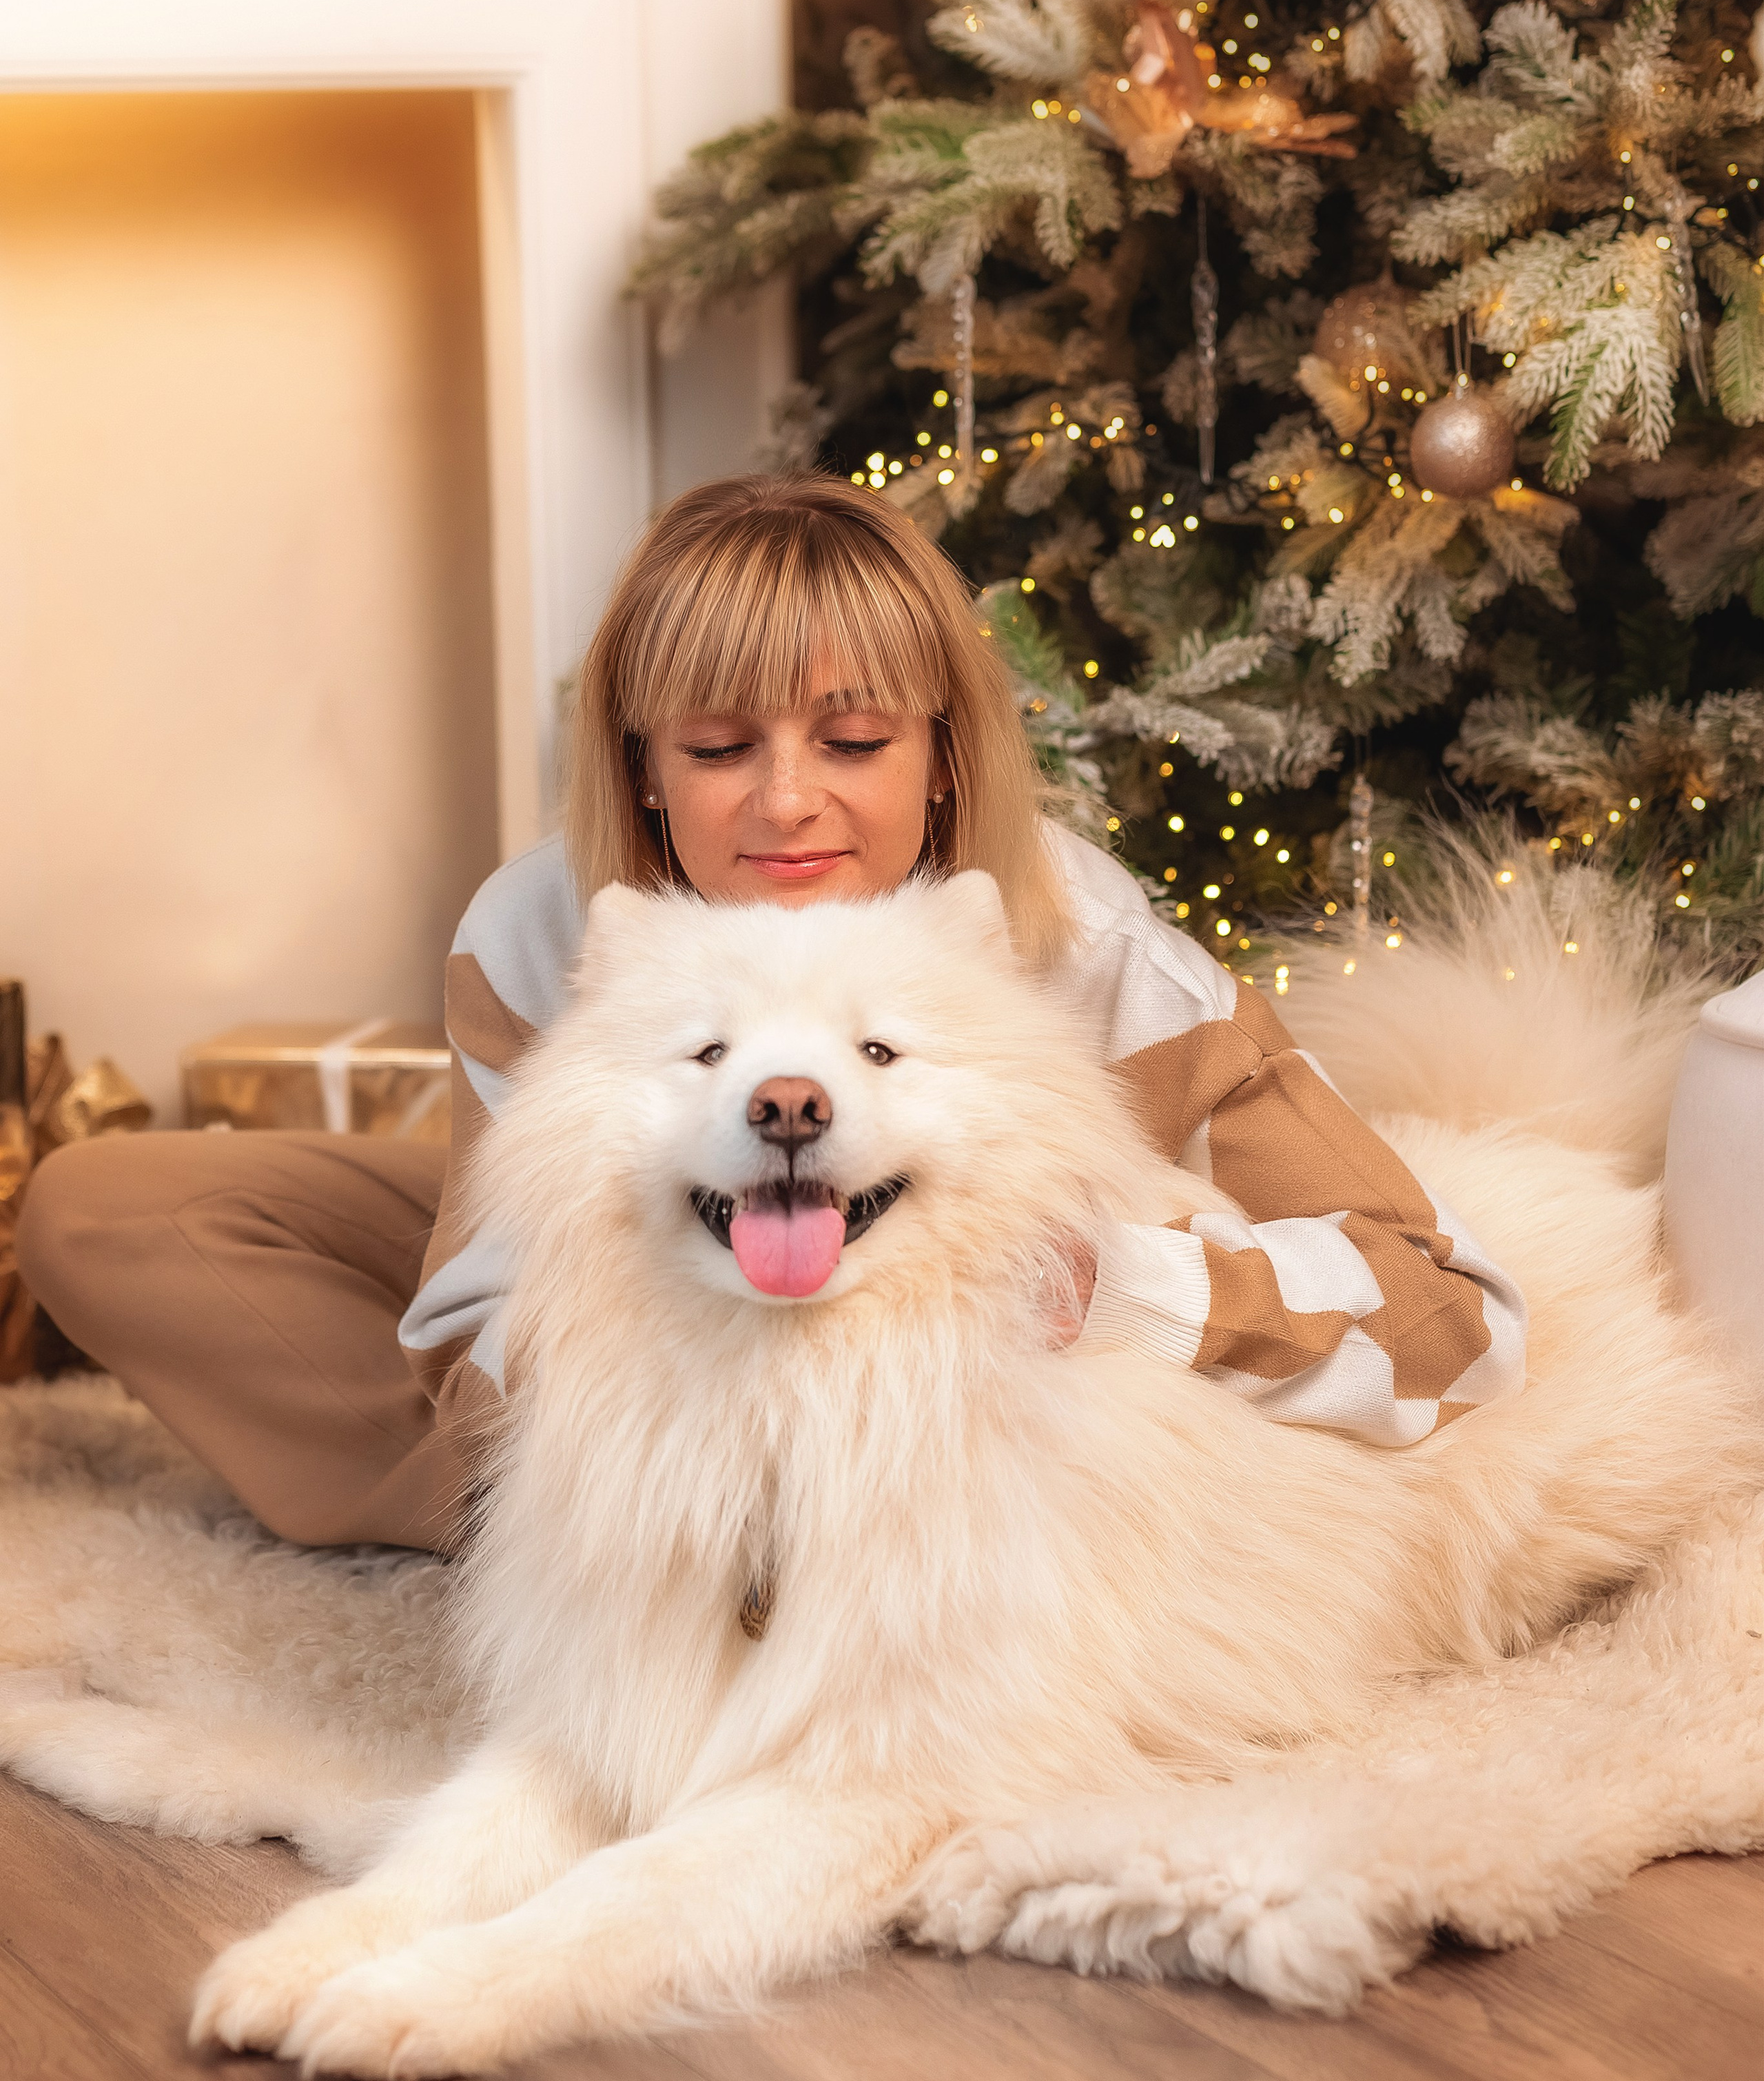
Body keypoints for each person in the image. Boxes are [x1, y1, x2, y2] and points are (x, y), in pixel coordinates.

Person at [18, 475, 1524, 1552]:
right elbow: (480, 1311)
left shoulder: (1099, 954)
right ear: (642, 765)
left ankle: (714, 1525)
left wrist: (1121, 1288)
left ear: (941, 753)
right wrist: (616, 1353)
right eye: (722, 744)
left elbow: (1451, 1318)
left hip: (951, 1336)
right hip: (656, 1255)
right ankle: (609, 1524)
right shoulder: (542, 930)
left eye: (853, 738)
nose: (788, 799)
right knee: (102, 1208)